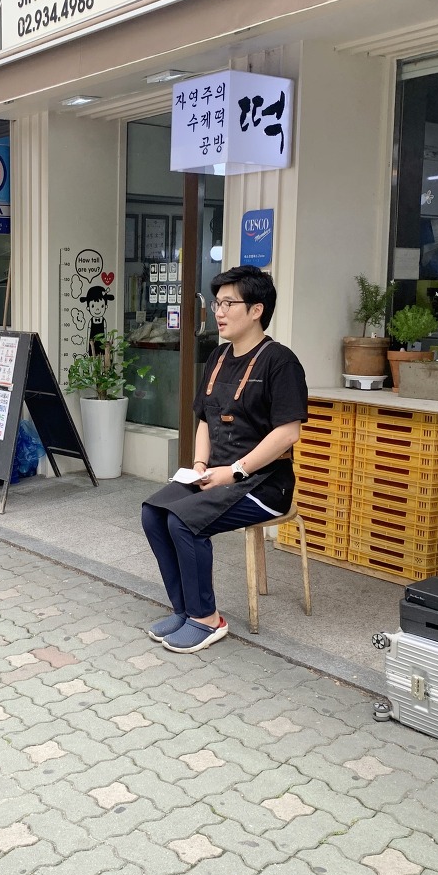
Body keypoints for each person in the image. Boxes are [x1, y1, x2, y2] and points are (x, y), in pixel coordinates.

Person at [140, 265, 308, 653]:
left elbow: (288, 433)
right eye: (217, 303)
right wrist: (200, 466)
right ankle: (184, 610)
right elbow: (205, 419)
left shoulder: (280, 362)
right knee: (154, 513)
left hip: (264, 484)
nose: (219, 311)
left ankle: (207, 619)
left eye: (229, 303)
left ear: (256, 310)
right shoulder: (218, 356)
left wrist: (233, 471)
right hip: (216, 475)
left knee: (184, 521)